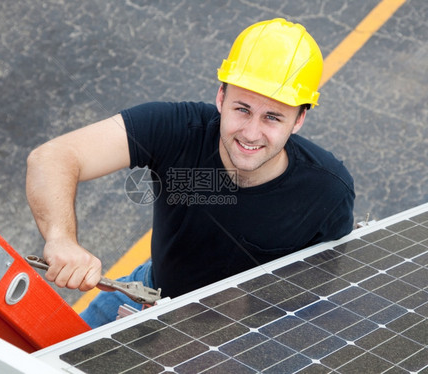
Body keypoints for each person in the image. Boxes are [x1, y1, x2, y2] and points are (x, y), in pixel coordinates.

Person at [26, 18, 355, 328]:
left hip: (242, 336)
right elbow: (53, 157)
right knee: (54, 357)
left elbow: (316, 295)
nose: (251, 133)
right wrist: (61, 238)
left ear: (299, 120)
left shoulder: (328, 193)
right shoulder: (176, 129)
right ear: (221, 97)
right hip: (150, 294)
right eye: (242, 109)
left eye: (273, 117)